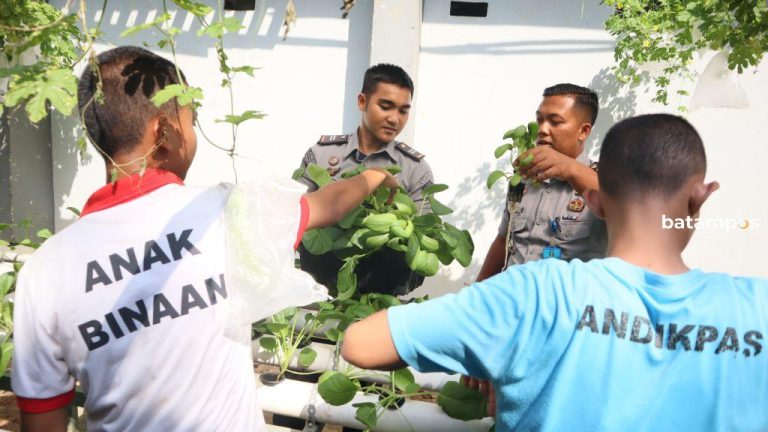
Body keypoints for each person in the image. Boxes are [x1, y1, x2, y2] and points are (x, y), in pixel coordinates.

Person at [11, 46, 398, 432]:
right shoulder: (225, 210)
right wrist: (375, 177)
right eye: (192, 121)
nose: (194, 134)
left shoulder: (45, 268)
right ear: (163, 132)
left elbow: (42, 419)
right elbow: (324, 205)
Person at [341, 114, 768, 431]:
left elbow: (360, 343)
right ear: (700, 197)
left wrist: (486, 340)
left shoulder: (535, 293)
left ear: (596, 203)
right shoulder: (757, 308)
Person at [295, 64, 433, 297]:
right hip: (320, 292)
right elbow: (295, 217)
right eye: (385, 106)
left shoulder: (415, 169)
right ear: (362, 102)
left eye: (403, 111)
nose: (394, 118)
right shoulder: (321, 154)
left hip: (381, 297)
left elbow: (423, 238)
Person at [477, 83, 607, 282]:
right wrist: (478, 291)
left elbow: (621, 207)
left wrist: (569, 168)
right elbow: (504, 240)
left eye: (555, 122)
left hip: (567, 309)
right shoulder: (523, 179)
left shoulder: (606, 179)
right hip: (512, 303)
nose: (542, 129)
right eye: (540, 120)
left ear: (583, 131)